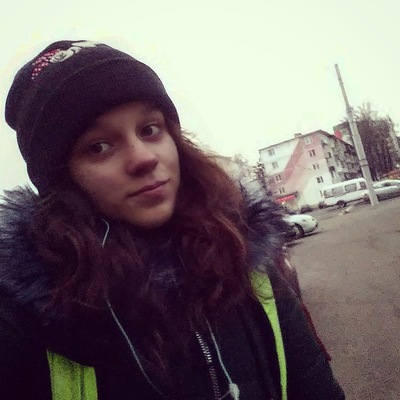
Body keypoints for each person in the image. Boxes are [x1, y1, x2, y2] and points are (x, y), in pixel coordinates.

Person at [0, 40, 345, 400]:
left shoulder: (241, 252)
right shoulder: (26, 318)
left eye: (150, 129)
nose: (143, 158)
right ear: (61, 179)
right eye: (99, 146)